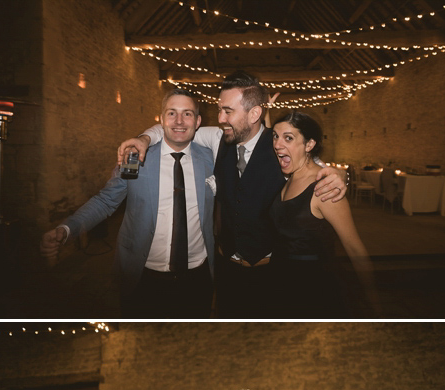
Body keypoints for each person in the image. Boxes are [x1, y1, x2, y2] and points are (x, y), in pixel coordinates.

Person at [116, 71, 346, 318]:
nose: (220, 118)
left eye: (228, 111)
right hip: (226, 270)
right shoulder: (218, 137)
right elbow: (175, 128)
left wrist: (336, 174)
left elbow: (309, 163)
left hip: (270, 271)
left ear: (255, 114)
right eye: (219, 110)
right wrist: (143, 139)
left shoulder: (278, 144)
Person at [40, 90, 216, 316]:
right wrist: (67, 229)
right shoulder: (135, 158)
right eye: (172, 113)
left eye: (187, 114)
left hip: (197, 277)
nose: (179, 121)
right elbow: (106, 201)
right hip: (143, 277)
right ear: (161, 119)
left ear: (198, 121)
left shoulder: (212, 159)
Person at [271, 111, 378, 316]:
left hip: (313, 289)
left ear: (309, 145)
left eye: (288, 138)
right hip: (282, 282)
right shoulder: (287, 179)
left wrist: (372, 300)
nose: (277, 144)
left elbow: (355, 249)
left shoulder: (324, 189)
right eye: (275, 136)